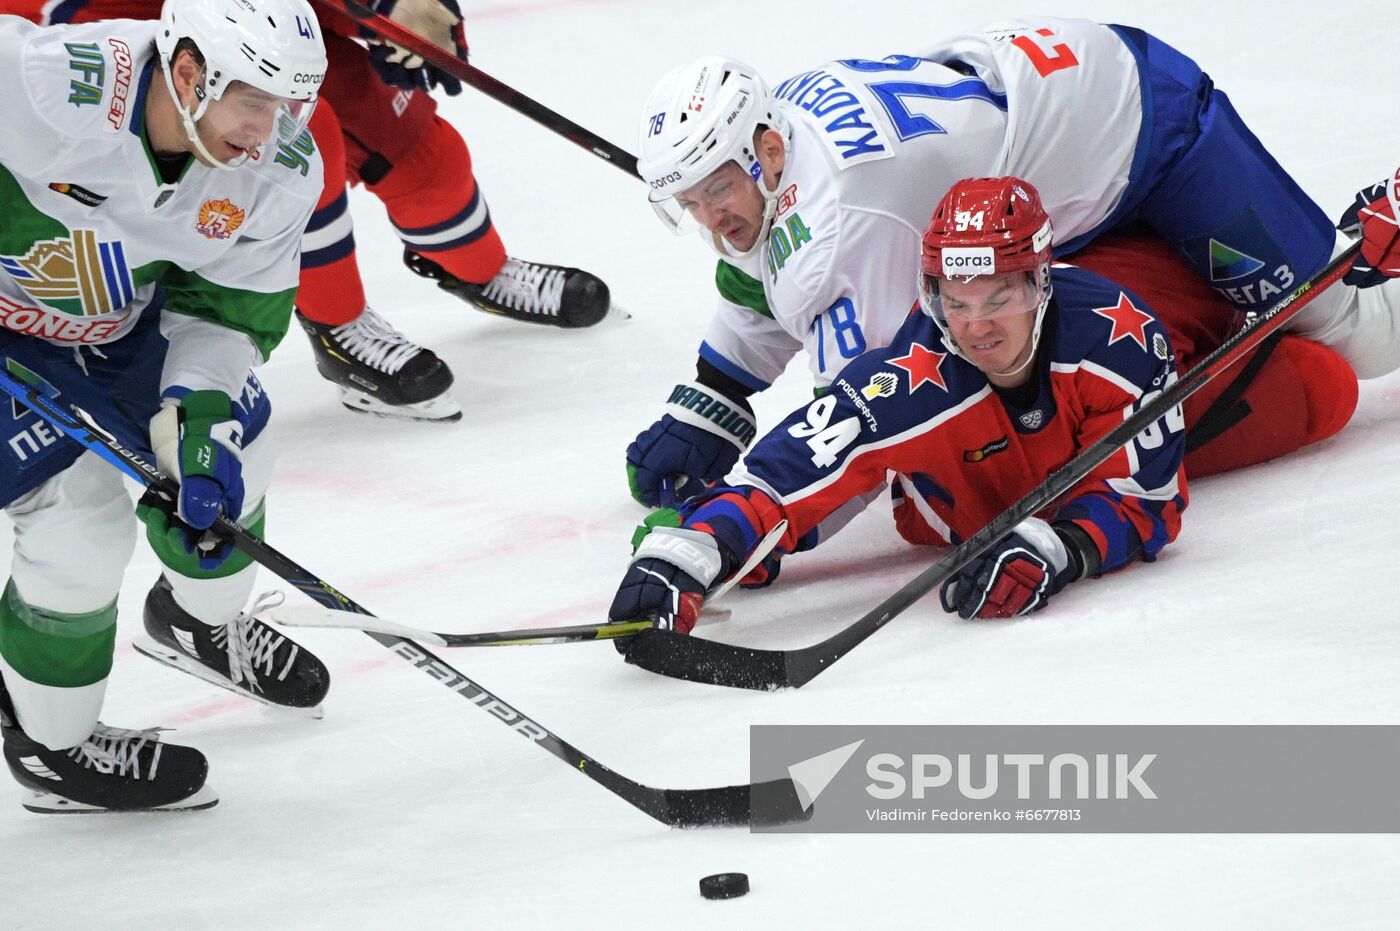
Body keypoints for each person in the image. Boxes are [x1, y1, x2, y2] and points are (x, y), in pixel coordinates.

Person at [624, 20, 1399, 506]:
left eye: (716, 189)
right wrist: (716, 392)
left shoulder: (851, 214)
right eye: (689, 201)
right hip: (1055, 179)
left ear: (765, 151)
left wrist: (745, 516)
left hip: (1151, 131)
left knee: (1362, 337)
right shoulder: (784, 130)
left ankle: (1372, 240)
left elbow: (873, 414)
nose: (710, 219)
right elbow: (766, 255)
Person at [0, 0, 331, 812]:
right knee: (80, 528)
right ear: (189, 72)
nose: (270, 130)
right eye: (254, 100)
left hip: (121, 323)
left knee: (235, 453)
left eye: (290, 103)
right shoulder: (42, 87)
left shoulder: (279, 167)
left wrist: (198, 411)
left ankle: (196, 620)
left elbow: (226, 311)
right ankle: (52, 745)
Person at [610, 177, 1187, 640]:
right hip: (955, 498)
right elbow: (794, 467)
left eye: (999, 298)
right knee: (803, 501)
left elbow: (1145, 499)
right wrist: (704, 542)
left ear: (1041, 282)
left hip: (1160, 436)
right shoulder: (915, 375)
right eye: (955, 302)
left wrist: (1063, 548)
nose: (976, 328)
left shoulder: (1119, 339)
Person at [4, 0, 612, 424]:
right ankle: (336, 320)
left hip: (254, 25)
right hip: (129, 36)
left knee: (420, 155)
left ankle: (480, 268)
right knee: (293, 142)